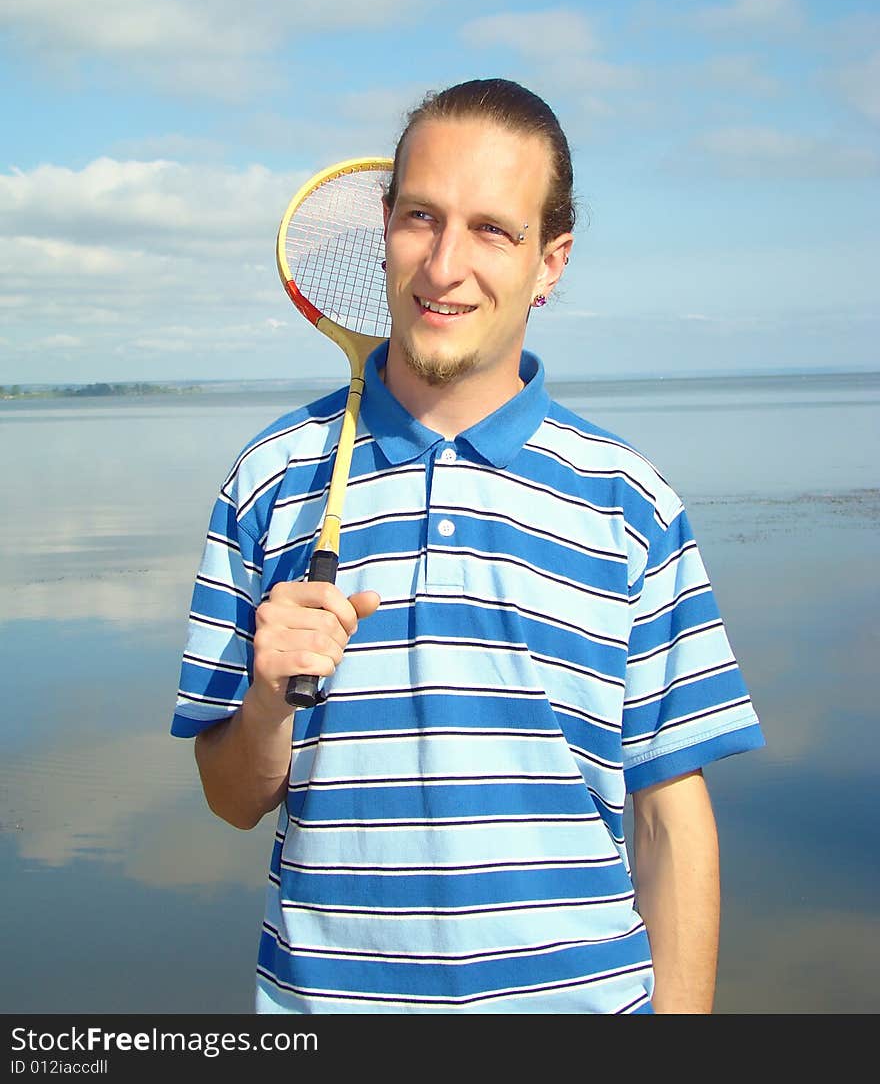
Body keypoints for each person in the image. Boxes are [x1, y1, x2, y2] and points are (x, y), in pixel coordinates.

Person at [171, 78, 764, 1015]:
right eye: (421, 217)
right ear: (385, 226)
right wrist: (266, 702)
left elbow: (667, 815)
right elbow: (233, 797)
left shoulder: (630, 501)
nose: (445, 265)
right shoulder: (269, 478)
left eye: (493, 229)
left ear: (551, 259)